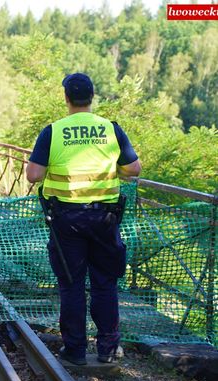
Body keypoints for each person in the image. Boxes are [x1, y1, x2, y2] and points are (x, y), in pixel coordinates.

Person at [26, 73, 142, 365]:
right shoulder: (111, 129)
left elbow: (33, 175)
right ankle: (107, 349)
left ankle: (75, 350)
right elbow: (134, 169)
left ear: (66, 98)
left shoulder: (53, 131)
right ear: (92, 97)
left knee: (72, 284)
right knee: (105, 283)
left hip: (66, 220)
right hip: (104, 218)